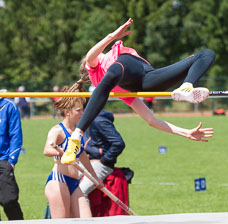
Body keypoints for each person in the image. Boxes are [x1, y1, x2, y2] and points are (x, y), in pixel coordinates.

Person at [61, 18, 215, 164]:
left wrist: (185, 133)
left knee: (206, 54)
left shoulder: (114, 85)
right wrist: (112, 36)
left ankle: (186, 86)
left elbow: (151, 120)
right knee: (112, 73)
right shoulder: (96, 66)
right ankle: (76, 136)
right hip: (126, 67)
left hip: (148, 80)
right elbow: (90, 56)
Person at [43, 85, 103, 218]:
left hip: (75, 182)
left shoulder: (78, 132)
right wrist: (61, 152)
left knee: (87, 220)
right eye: (79, 111)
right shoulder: (57, 130)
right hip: (59, 182)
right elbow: (47, 150)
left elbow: (82, 155)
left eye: (83, 110)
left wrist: (94, 178)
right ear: (67, 112)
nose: (83, 114)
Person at [79, 110, 125, 200]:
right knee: (63, 184)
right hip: (85, 160)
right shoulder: (80, 119)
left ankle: (84, 214)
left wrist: (103, 160)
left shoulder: (99, 120)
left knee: (81, 192)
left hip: (100, 163)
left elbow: (118, 143)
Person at [0, 89, 24, 220]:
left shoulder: (8, 105)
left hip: (3, 161)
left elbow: (15, 134)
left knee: (9, 200)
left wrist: (12, 161)